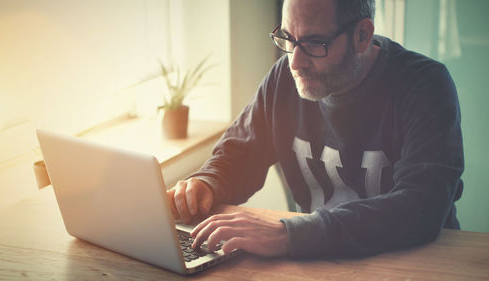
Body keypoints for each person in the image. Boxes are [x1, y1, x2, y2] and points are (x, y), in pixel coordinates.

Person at [166, 0, 464, 258]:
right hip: (321, 261)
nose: (294, 61)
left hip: (416, 262)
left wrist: (289, 235)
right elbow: (240, 155)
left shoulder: (425, 86)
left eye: (313, 43)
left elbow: (421, 207)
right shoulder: (284, 78)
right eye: (287, 38)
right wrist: (206, 184)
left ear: (362, 35)